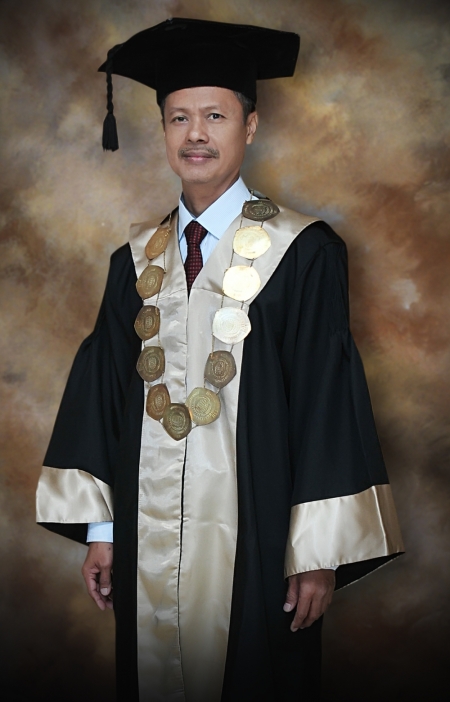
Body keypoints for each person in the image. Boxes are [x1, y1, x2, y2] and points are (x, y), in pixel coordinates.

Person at [36, 17, 404, 702]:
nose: (195, 134)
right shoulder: (133, 262)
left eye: (215, 115)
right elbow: (105, 395)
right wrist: (103, 530)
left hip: (261, 537)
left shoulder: (306, 253)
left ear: (250, 126)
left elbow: (326, 399)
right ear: (164, 130)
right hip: (146, 541)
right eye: (179, 118)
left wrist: (317, 553)